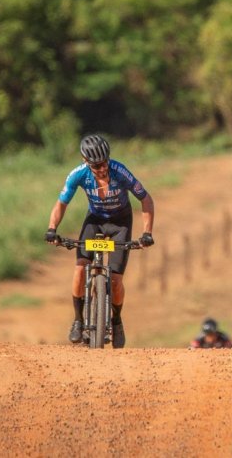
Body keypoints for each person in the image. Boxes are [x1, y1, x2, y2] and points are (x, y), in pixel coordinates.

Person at [45, 134, 155, 349]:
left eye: (105, 162)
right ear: (85, 161)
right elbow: (61, 203)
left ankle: (117, 321)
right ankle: (78, 320)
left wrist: (147, 233)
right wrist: (52, 229)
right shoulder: (78, 175)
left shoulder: (120, 171)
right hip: (95, 221)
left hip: (120, 223)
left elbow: (145, 199)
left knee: (115, 280)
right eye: (96, 166)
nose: (103, 169)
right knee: (80, 269)